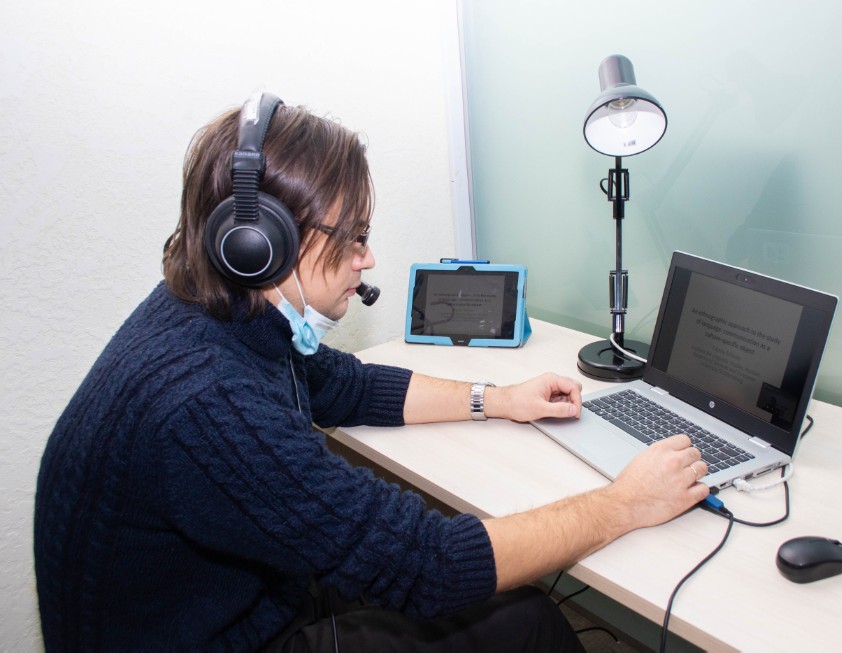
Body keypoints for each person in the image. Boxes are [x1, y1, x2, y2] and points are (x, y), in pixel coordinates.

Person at [34, 93, 710, 652]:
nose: (367, 258)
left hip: (229, 605)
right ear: (261, 243)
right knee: (526, 621)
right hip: (235, 635)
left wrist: (500, 398)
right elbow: (431, 566)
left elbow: (342, 384)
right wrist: (623, 504)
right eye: (354, 236)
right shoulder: (206, 401)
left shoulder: (211, 313)